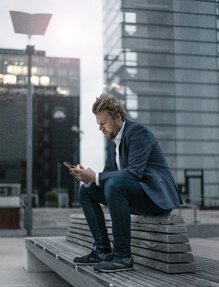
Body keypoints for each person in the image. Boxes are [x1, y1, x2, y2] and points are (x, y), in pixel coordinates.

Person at [69, 93, 182, 273]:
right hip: (135, 196)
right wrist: (86, 178)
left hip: (155, 198)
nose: (100, 128)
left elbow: (134, 172)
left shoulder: (138, 132)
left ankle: (122, 255)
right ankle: (102, 250)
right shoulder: (115, 142)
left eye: (103, 123)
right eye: (98, 124)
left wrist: (95, 176)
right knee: (86, 191)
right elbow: (107, 175)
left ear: (118, 118)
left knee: (115, 185)